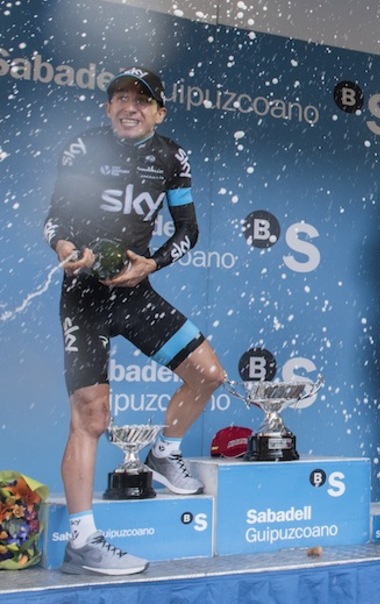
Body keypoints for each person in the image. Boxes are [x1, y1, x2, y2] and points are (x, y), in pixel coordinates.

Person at [44, 66, 225, 575]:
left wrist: (153, 263)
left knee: (208, 373)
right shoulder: (83, 148)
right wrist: (65, 247)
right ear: (107, 108)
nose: (130, 106)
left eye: (142, 101)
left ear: (159, 112)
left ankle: (164, 453)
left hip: (135, 292)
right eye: (120, 97)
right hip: (83, 296)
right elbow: (55, 218)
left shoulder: (172, 155)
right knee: (91, 418)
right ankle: (82, 541)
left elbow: (188, 229)